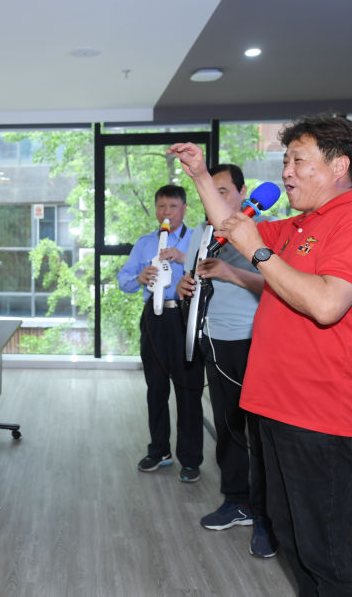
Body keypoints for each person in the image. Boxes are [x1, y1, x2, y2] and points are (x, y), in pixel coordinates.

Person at [171, 114, 352, 596]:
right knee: (293, 540)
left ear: (339, 165)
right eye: (285, 161)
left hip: (322, 416)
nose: (286, 172)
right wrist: (201, 175)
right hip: (277, 407)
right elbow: (228, 224)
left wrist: (258, 252)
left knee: (326, 556)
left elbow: (327, 305)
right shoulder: (300, 224)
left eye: (298, 160)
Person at [175, 164, 276, 558]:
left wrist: (231, 272)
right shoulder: (202, 234)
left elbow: (277, 284)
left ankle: (266, 517)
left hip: (255, 341)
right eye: (209, 191)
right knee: (228, 426)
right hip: (214, 342)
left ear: (243, 192)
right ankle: (236, 500)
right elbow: (194, 278)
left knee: (261, 434)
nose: (213, 199)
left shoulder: (264, 231)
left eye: (223, 191)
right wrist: (184, 286)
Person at [117, 184, 204, 482]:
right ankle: (159, 451)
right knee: (156, 388)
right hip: (153, 320)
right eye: (161, 207)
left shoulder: (196, 239)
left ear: (184, 209)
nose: (166, 212)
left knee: (188, 390)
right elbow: (123, 279)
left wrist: (184, 258)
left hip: (185, 317)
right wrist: (139, 277)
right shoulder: (144, 243)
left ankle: (190, 460)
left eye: (173, 206)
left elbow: (211, 272)